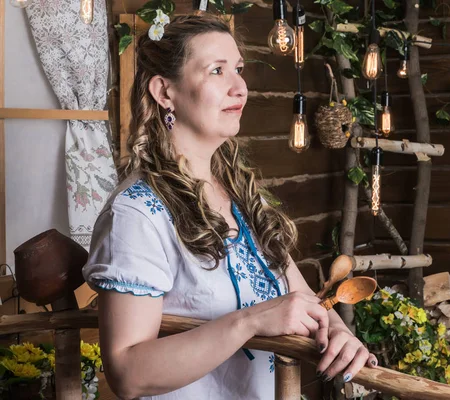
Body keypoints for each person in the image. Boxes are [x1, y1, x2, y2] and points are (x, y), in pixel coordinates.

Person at [82, 14, 377, 400]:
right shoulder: (137, 214)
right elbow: (127, 373)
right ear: (164, 92)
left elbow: (305, 300)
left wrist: (338, 332)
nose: (240, 87)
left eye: (238, 69)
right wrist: (250, 321)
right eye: (217, 71)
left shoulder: (239, 195)